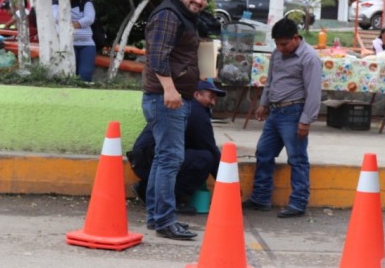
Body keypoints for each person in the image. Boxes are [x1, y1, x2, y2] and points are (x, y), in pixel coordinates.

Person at [141, 0, 212, 240]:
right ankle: (166, 221)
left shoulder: (183, 16)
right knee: (170, 159)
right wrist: (170, 90)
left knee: (163, 158)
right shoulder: (169, 15)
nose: (199, 0)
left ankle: (156, 217)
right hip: (164, 98)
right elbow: (158, 57)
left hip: (170, 97)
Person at [243, 17, 322, 218]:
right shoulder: (277, 54)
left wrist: (306, 120)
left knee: (297, 159)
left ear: (296, 38)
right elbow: (271, 80)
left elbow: (313, 91)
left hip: (294, 113)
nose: (280, 47)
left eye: (284, 43)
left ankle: (298, 202)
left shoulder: (309, 58)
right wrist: (264, 103)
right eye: (277, 43)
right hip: (275, 112)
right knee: (263, 153)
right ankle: (260, 198)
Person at [129, 80, 225, 225]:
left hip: (142, 158)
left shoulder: (189, 107)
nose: (212, 102)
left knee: (192, 155)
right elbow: (209, 147)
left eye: (214, 99)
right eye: (210, 97)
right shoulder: (197, 111)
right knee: (204, 159)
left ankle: (147, 190)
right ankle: (173, 200)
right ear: (196, 94)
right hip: (147, 159)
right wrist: (227, 182)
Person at [53, 0, 96, 81]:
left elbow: (89, 19)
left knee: (85, 74)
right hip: (67, 44)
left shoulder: (86, 3)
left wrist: (69, 26)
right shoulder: (56, 4)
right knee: (69, 74)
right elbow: (57, 18)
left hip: (87, 44)